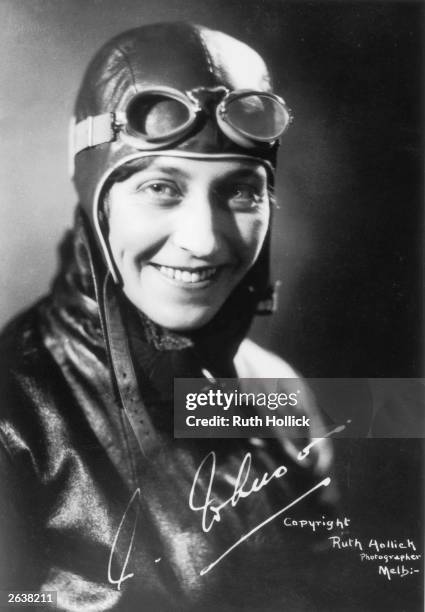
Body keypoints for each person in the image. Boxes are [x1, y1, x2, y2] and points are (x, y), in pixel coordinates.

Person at [0, 22, 335, 611]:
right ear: (95, 200)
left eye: (239, 192)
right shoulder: (14, 425)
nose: (204, 241)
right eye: (161, 186)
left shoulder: (282, 393)